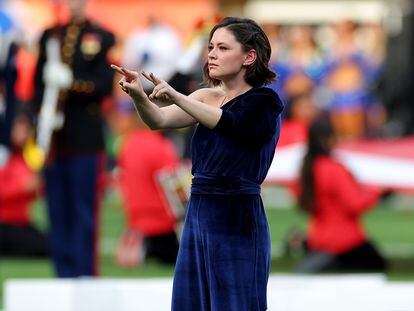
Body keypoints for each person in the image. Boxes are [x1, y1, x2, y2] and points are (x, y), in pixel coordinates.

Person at [112, 16, 284, 310]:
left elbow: (230, 123)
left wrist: (178, 96)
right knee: (192, 302)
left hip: (237, 216)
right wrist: (140, 96)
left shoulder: (265, 102)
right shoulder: (206, 96)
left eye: (223, 48)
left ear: (249, 56)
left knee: (235, 302)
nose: (212, 54)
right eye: (211, 47)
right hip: (199, 210)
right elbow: (159, 119)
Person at [32, 0, 115, 277]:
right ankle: (62, 274)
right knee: (57, 210)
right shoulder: (50, 36)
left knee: (83, 211)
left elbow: (104, 85)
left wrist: (72, 82)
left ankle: (84, 274)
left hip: (85, 139)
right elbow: (37, 87)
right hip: (55, 139)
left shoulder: (100, 36)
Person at [295, 117, 387, 273]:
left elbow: (303, 202)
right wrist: (376, 191)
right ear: (329, 138)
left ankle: (316, 254)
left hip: (317, 237)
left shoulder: (306, 168)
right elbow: (354, 203)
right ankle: (332, 262)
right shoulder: (334, 168)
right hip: (345, 240)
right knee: (378, 264)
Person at [107, 101, 181, 267]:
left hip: (136, 221)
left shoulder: (126, 144)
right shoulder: (161, 146)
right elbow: (175, 188)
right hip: (163, 224)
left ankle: (138, 245)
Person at [0, 109, 48, 257]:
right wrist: (21, 188)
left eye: (27, 129)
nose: (24, 133)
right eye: (19, 127)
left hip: (20, 224)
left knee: (50, 245)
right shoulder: (4, 156)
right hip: (4, 223)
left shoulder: (27, 159)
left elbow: (36, 194)